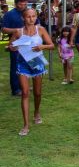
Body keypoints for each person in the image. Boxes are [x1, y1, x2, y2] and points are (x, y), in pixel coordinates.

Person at [9, 8, 54, 136]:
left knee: (38, 93)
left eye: (33, 16)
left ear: (36, 17)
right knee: (24, 93)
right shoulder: (19, 32)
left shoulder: (41, 30)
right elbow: (10, 47)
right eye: (28, 16)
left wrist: (42, 46)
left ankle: (36, 112)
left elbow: (51, 45)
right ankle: (26, 125)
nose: (31, 19)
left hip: (37, 62)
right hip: (22, 63)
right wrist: (12, 47)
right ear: (23, 18)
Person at [2, 0, 32, 96]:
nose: (23, 6)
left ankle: (25, 85)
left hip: (29, 43)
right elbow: (4, 30)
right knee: (15, 66)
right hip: (15, 44)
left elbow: (36, 25)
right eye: (21, 4)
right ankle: (16, 89)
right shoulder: (9, 15)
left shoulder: (29, 13)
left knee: (27, 65)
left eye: (25, 4)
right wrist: (18, 31)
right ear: (15, 4)